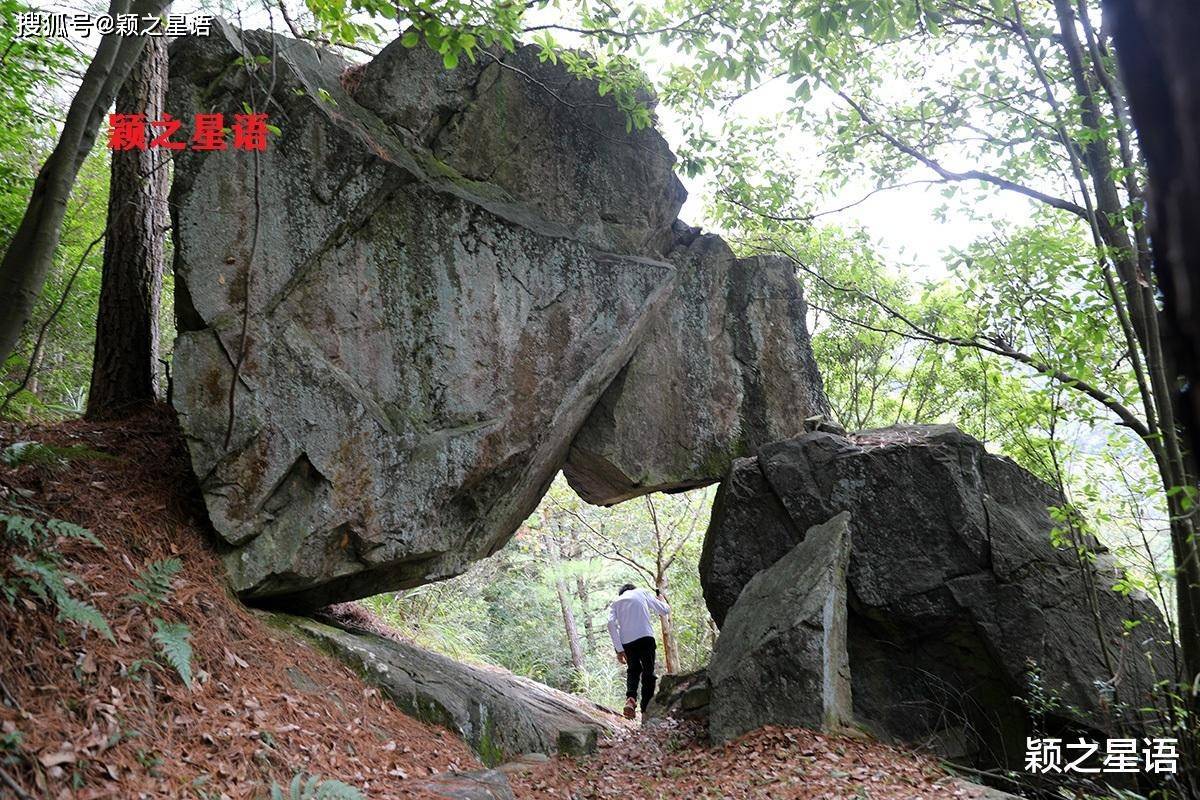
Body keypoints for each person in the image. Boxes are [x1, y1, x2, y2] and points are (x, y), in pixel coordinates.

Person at [607, 583, 670, 719]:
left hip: (627, 642)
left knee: (633, 670)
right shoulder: (642, 592)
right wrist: (661, 599)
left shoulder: (616, 602)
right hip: (645, 637)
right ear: (632, 589)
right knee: (648, 672)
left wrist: (619, 649)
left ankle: (631, 699)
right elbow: (664, 610)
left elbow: (610, 624)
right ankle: (646, 710)